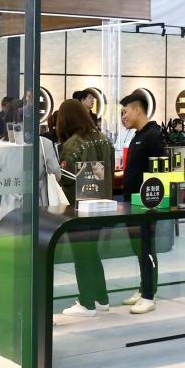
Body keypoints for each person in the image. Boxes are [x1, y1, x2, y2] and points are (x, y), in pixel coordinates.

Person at [55, 99, 113, 316]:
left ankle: (87, 302)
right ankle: (101, 298)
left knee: (82, 254)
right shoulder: (105, 140)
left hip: (79, 208)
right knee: (92, 252)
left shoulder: (72, 145)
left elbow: (67, 180)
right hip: (103, 206)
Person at [118, 91, 163, 314]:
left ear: (137, 109)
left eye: (125, 112)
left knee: (146, 248)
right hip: (132, 201)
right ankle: (144, 286)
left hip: (146, 204)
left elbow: (159, 171)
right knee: (139, 247)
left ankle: (149, 294)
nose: (123, 117)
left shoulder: (153, 135)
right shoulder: (138, 135)